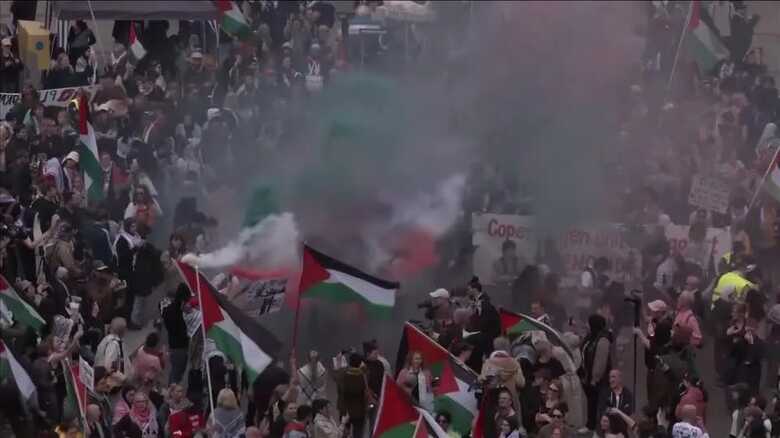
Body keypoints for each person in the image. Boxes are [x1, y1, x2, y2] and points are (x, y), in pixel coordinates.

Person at [582, 314, 612, 431]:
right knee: (591, 402)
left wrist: (595, 378)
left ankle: (600, 429)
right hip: (589, 377)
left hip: (600, 379)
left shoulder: (603, 339)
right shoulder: (591, 337)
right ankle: (590, 425)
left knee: (600, 404)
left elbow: (601, 361)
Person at [334, 353, 368, 438]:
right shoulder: (363, 375)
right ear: (360, 363)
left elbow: (336, 377)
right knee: (358, 434)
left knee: (344, 433)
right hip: (359, 410)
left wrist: (338, 361)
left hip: (345, 410)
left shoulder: (343, 373)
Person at [162, 284, 190, 384]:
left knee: (175, 370)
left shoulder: (167, 310)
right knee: (177, 372)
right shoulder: (180, 314)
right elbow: (183, 330)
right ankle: (172, 390)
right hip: (180, 346)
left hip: (173, 344)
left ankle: (172, 388)